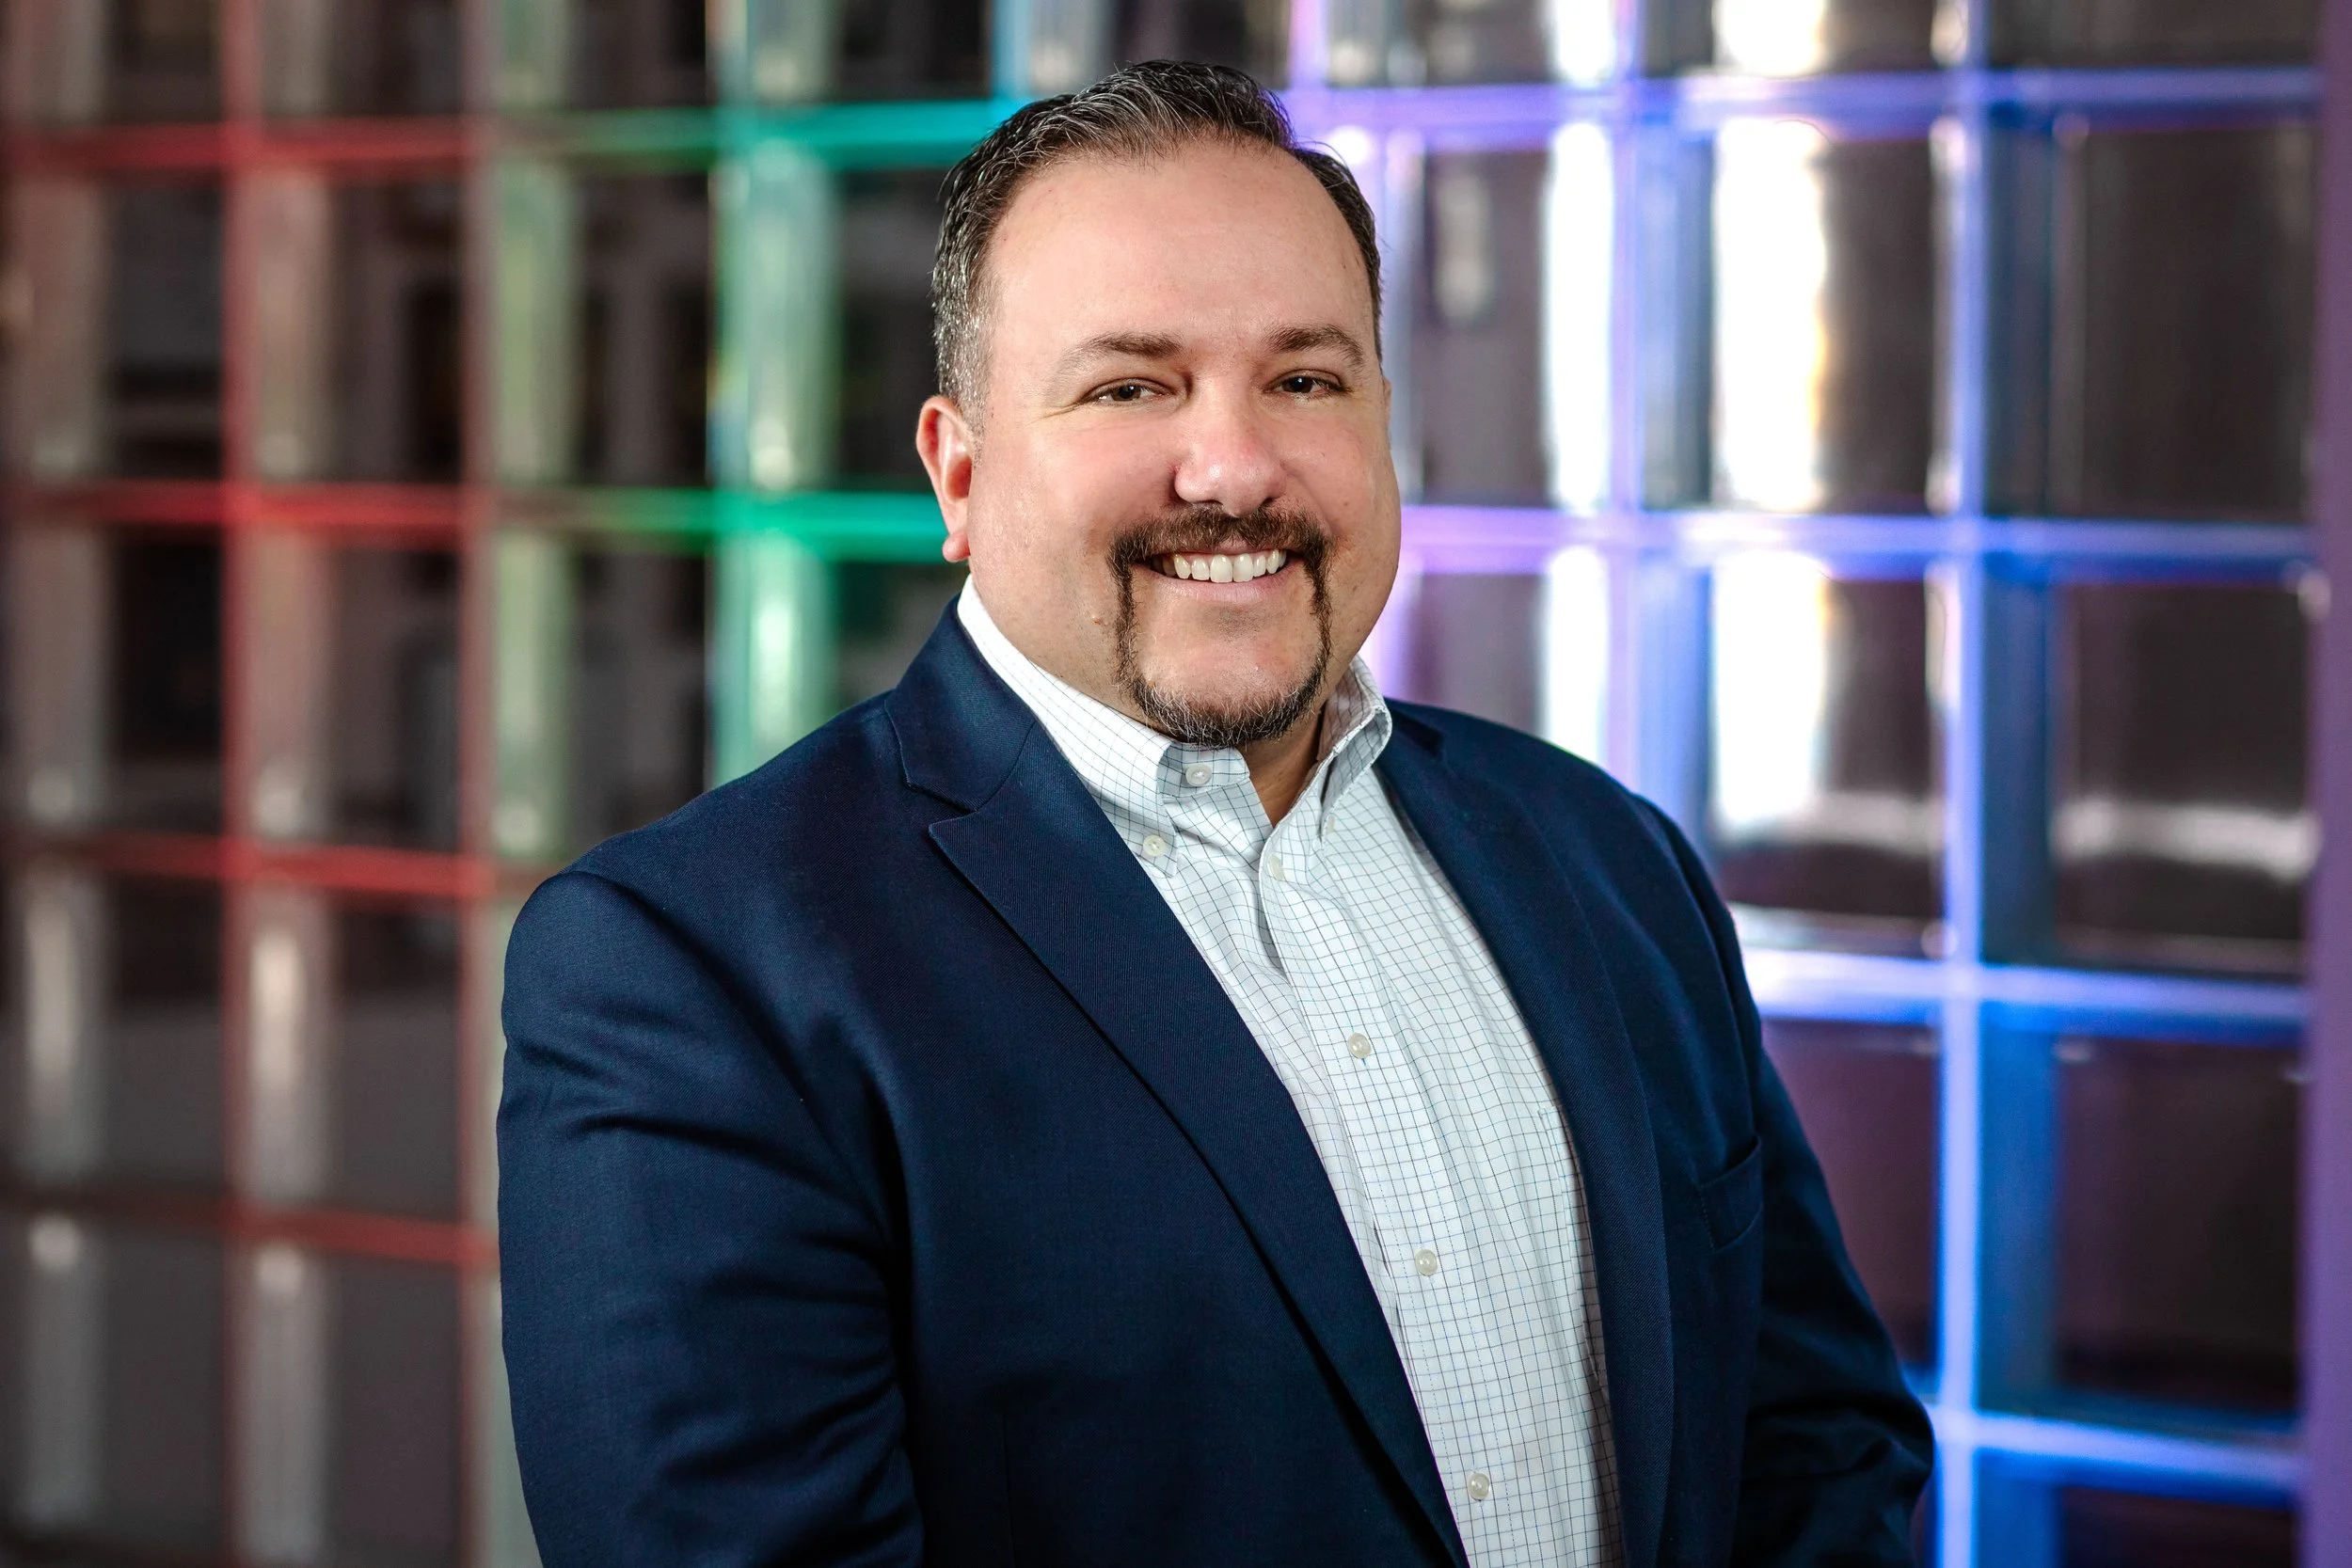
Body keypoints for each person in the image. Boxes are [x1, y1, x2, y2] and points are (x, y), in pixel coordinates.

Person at [497, 60, 1933, 1568]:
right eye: (1132, 386)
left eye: (1306, 379)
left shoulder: (1605, 858)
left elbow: (1816, 1448)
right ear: (962, 470)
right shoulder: (687, 971)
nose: (1236, 466)